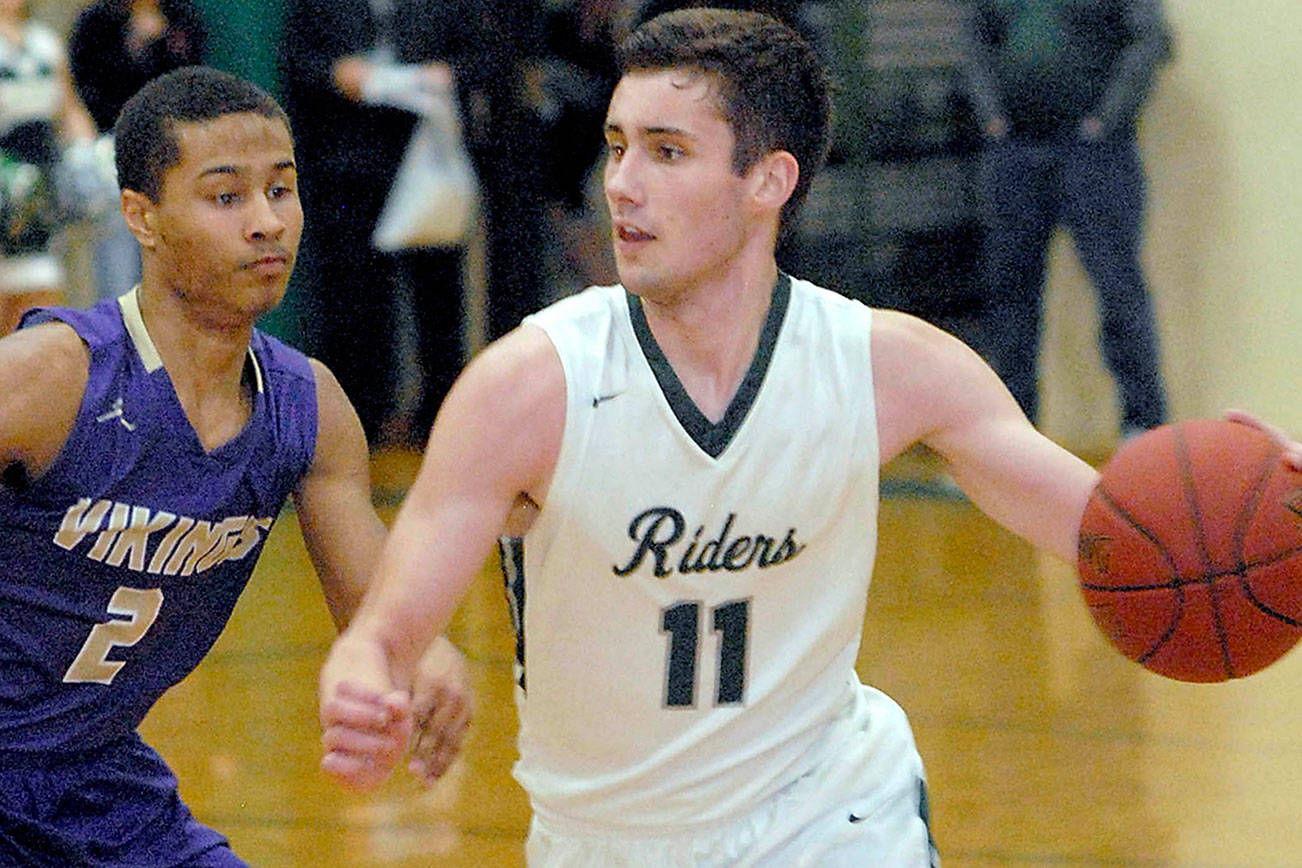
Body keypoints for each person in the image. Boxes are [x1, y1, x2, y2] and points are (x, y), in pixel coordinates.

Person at [317, 10, 1302, 866]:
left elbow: (1121, 532)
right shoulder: (530, 389)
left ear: (768, 181)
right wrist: (365, 682)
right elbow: (389, 630)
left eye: (666, 151)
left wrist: (1252, 509)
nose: (621, 184)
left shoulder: (886, 366)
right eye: (616, 145)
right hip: (603, 837)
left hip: (832, 820)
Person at [0, 67, 469, 866]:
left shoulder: (306, 410)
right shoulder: (52, 376)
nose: (267, 224)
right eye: (226, 198)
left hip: (96, 785)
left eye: (281, 191)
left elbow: (385, 615)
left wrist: (425, 663)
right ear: (141, 218)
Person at [963, 0, 1172, 439]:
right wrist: (992, 116)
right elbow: (974, 39)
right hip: (1016, 151)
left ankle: (1144, 426)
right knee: (1009, 295)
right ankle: (1009, 433)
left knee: (1117, 287)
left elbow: (1151, 38)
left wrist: (1107, 118)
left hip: (1096, 155)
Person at [67, 0, 209, 302]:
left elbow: (190, 84)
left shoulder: (181, 18)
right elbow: (84, 90)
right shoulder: (97, 23)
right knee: (119, 260)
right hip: (113, 153)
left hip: (171, 151)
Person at [0, 0, 97, 334]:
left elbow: (69, 112)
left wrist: (88, 156)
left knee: (40, 303)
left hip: (37, 195)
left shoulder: (45, 43)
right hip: (3, 181)